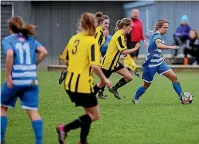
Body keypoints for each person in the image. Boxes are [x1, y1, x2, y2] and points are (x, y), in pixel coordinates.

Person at [56, 12, 111, 144]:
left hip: (69, 83)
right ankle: (65, 128)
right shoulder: (91, 42)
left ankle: (82, 140)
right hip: (82, 84)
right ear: (94, 24)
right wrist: (105, 79)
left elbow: (65, 60)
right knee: (95, 115)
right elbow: (95, 66)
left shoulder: (74, 38)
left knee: (88, 113)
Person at [1, 16, 48, 144]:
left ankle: (1, 139)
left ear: (10, 28)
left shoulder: (8, 40)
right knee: (33, 112)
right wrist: (34, 64)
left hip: (16, 80)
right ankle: (39, 142)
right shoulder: (31, 40)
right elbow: (44, 52)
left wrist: (8, 75)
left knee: (1, 107)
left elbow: (10, 54)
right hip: (31, 81)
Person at [132, 19, 191, 105]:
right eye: (164, 28)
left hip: (160, 63)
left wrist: (161, 56)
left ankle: (182, 97)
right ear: (159, 27)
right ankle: (136, 97)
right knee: (146, 85)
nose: (166, 29)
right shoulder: (157, 36)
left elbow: (156, 49)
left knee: (174, 77)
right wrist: (171, 47)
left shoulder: (161, 35)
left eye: (167, 28)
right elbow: (158, 45)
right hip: (150, 65)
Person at [93, 18, 140, 100]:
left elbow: (120, 50)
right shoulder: (119, 35)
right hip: (109, 63)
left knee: (129, 77)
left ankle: (114, 88)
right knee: (101, 83)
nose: (131, 29)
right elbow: (124, 51)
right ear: (125, 26)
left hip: (115, 62)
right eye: (130, 27)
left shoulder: (120, 35)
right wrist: (135, 48)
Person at [125, 9, 146, 77]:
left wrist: (144, 40)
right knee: (131, 56)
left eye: (137, 13)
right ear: (132, 13)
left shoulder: (139, 22)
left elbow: (141, 32)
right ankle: (133, 70)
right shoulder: (129, 21)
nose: (135, 14)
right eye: (134, 13)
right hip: (130, 41)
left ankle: (129, 70)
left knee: (135, 56)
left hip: (137, 42)